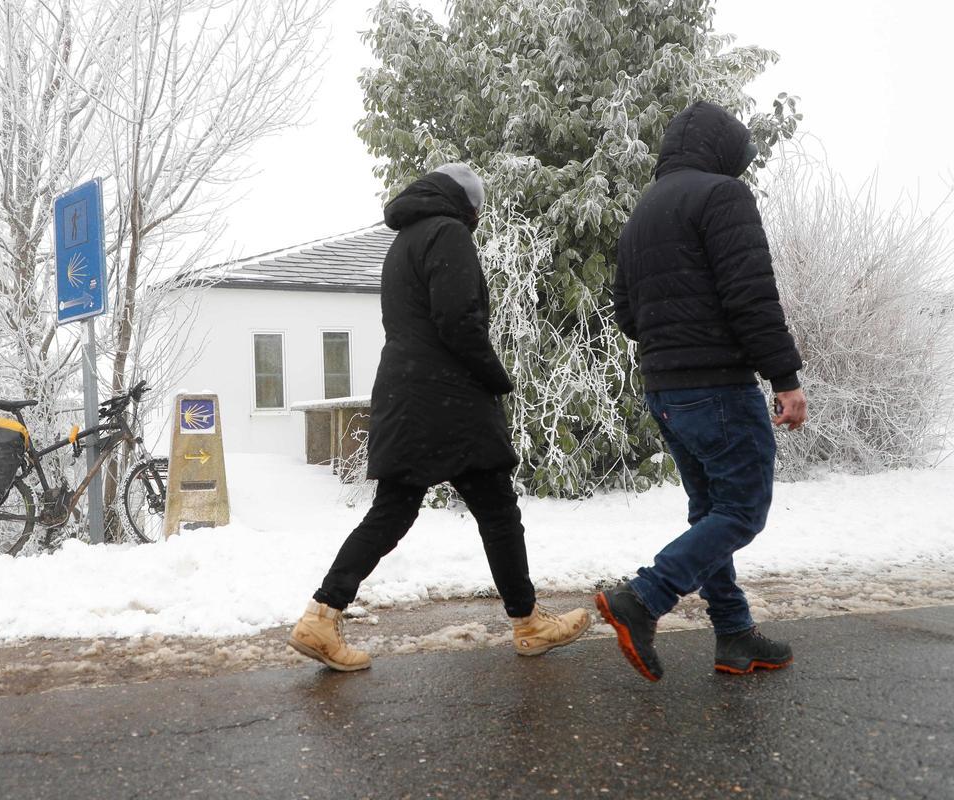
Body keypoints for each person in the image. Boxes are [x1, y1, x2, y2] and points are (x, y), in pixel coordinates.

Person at [289, 163, 590, 671]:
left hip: (407, 393)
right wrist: (495, 376)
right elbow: (458, 321)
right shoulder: (448, 233)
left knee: (393, 511)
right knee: (497, 511)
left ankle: (321, 615)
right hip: (449, 399)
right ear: (467, 205)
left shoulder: (403, 241)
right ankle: (529, 622)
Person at [596, 101, 809, 682]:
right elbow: (751, 296)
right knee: (742, 511)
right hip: (718, 389)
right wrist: (785, 378)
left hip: (665, 391)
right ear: (721, 151)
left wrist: (673, 337)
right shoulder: (723, 195)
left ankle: (735, 634)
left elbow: (627, 314)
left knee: (710, 514)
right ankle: (644, 597)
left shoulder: (643, 212)